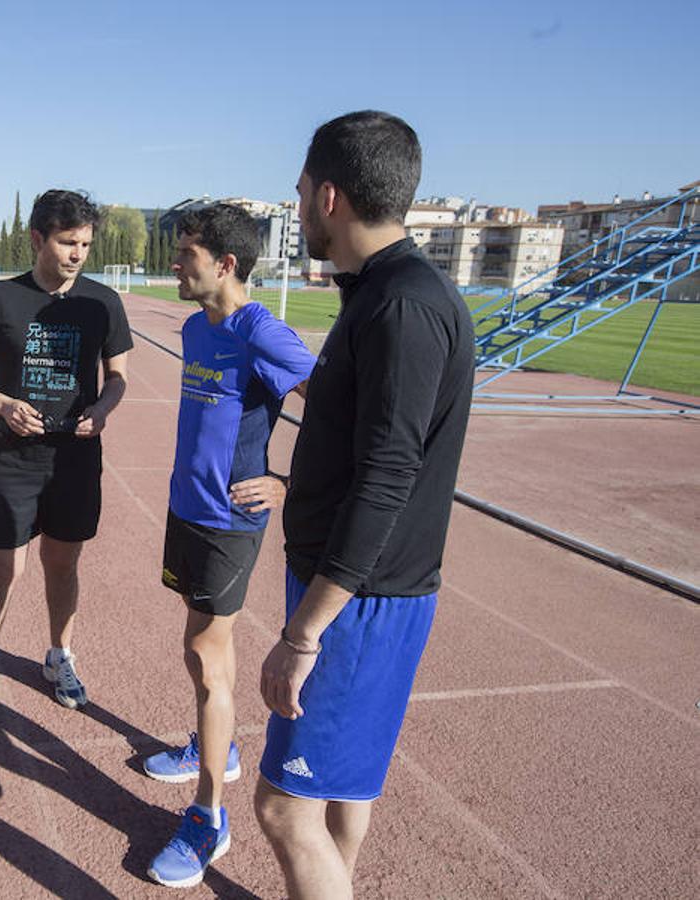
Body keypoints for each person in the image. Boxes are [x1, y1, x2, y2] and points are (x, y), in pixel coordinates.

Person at [254, 111, 475, 898]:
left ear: (331, 197)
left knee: (283, 810)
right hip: (368, 591)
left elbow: (387, 476)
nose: (298, 197)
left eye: (303, 186)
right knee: (341, 793)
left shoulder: (401, 308)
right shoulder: (385, 294)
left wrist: (305, 632)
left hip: (356, 603)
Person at [142, 205, 315, 888]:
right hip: (187, 510)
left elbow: (337, 408)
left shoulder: (262, 333)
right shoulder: (193, 327)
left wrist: (288, 482)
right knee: (200, 648)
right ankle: (218, 745)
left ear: (226, 264)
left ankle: (210, 819)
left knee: (207, 657)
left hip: (229, 520)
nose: (176, 265)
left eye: (186, 254)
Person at [0, 189, 133, 738]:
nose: (77, 253)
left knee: (63, 565)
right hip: (11, 460)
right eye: (66, 242)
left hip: (75, 461)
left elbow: (119, 378)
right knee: (2, 571)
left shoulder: (103, 303)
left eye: (84, 244)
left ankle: (59, 654)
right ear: (38, 239)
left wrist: (101, 411)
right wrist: (3, 404)